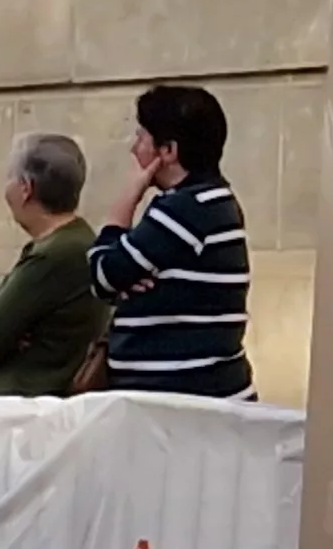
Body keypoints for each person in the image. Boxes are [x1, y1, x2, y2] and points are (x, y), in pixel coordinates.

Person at [86, 84, 254, 401]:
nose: (133, 148)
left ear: (168, 151)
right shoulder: (206, 201)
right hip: (191, 399)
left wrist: (126, 199)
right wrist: (127, 277)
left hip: (182, 406)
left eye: (141, 137)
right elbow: (120, 275)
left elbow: (102, 276)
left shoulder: (185, 207)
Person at [0, 133, 110, 397]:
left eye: (9, 177)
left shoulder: (55, 255)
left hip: (29, 412)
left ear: (25, 188)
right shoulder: (73, 242)